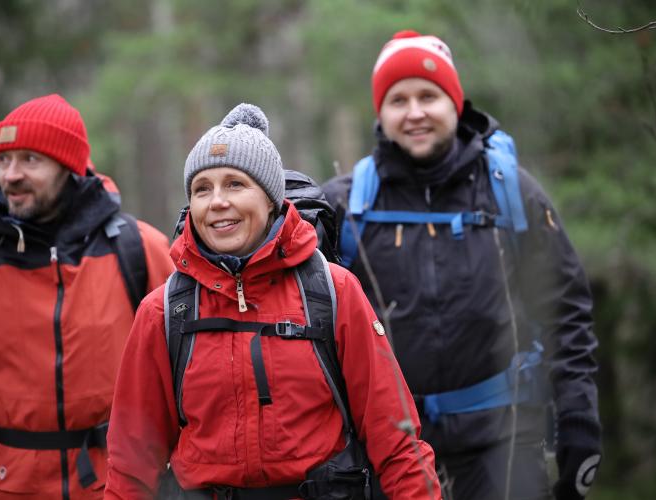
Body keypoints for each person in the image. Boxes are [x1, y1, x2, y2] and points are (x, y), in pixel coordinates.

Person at [104, 103, 441, 499]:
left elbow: (397, 441)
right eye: (202, 189)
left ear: (270, 199)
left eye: (235, 184)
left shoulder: (333, 291)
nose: (216, 202)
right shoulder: (163, 312)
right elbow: (130, 464)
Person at [322, 31, 602, 500]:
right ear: (380, 113)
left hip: (505, 441)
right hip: (390, 448)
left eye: (428, 96)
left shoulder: (511, 192)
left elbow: (565, 313)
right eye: (398, 100)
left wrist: (578, 417)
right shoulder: (346, 205)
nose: (414, 112)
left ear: (455, 103)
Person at [0, 94, 174, 499]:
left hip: (120, 486)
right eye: (4, 160)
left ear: (69, 166)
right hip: (12, 487)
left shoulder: (138, 249)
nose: (11, 175)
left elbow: (187, 369)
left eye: (30, 160)